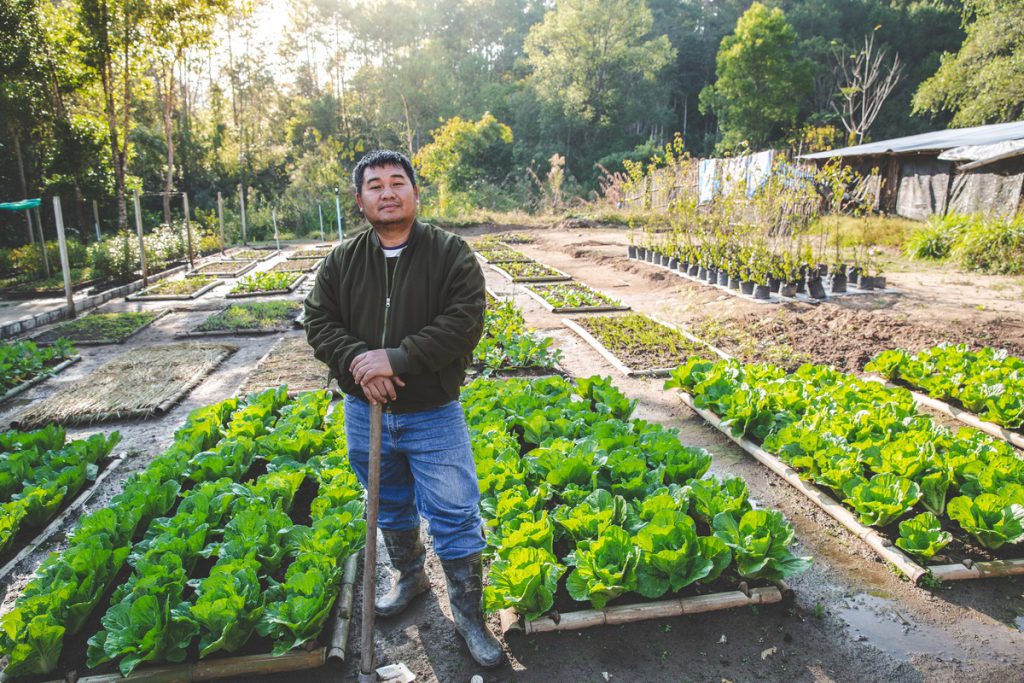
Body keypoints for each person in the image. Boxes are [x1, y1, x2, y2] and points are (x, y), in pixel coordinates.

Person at [303, 150, 503, 668]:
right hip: (364, 411)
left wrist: (396, 359)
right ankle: (410, 579)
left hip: (432, 410)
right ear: (360, 200)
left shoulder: (449, 254)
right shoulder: (342, 261)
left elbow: (464, 321)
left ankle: (468, 614)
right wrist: (358, 363)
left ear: (415, 193)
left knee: (456, 512)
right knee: (388, 503)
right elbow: (318, 321)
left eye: (397, 182)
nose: (387, 192)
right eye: (375, 185)